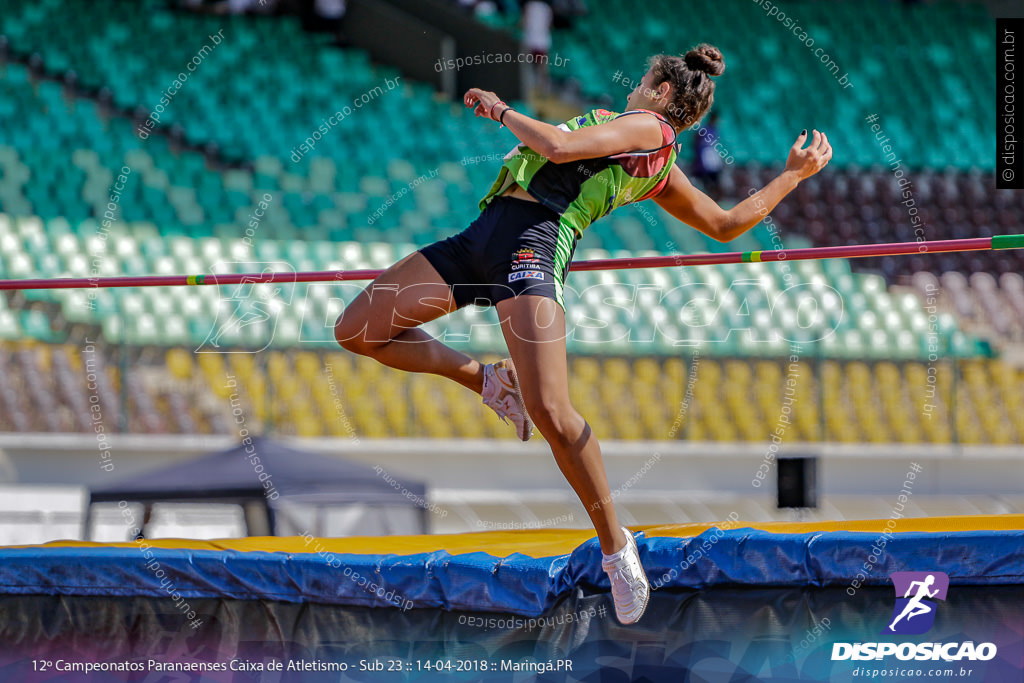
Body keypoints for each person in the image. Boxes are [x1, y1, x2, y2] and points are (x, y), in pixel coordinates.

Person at [335, 43, 832, 625]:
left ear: (662, 93)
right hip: (482, 237)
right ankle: (488, 380)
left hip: (532, 245)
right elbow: (725, 225)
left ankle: (617, 550)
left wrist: (499, 110)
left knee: (551, 410)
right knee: (359, 329)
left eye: (642, 82)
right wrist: (791, 176)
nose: (631, 90)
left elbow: (559, 146)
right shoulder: (649, 156)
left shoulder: (647, 128)